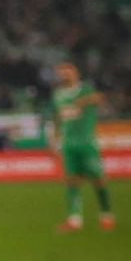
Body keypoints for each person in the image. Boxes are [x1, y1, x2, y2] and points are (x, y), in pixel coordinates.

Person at [48, 59, 115, 233]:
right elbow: (58, 116)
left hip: (87, 143)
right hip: (69, 144)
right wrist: (55, 138)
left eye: (68, 70)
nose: (64, 74)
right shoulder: (58, 95)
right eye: (61, 71)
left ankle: (106, 214)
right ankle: (74, 220)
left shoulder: (85, 89)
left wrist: (81, 102)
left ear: (76, 73)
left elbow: (99, 98)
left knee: (98, 179)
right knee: (72, 181)